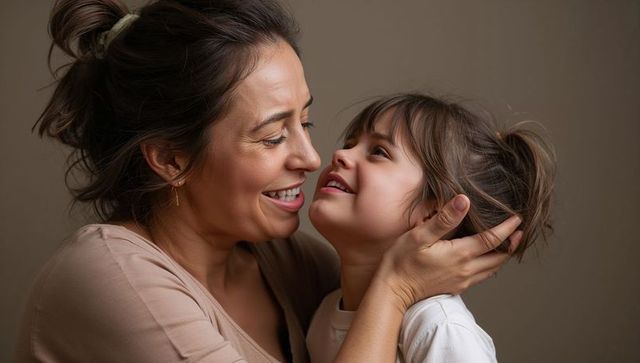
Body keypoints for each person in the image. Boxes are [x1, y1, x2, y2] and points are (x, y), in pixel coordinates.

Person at [15, 1, 523, 362]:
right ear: (171, 159)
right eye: (272, 136)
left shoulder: (303, 268)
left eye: (305, 123)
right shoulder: (110, 279)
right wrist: (395, 289)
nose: (312, 157)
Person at [306, 94, 556, 363]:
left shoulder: (440, 329)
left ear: (437, 212)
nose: (341, 154)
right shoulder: (323, 313)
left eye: (379, 151)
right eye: (350, 143)